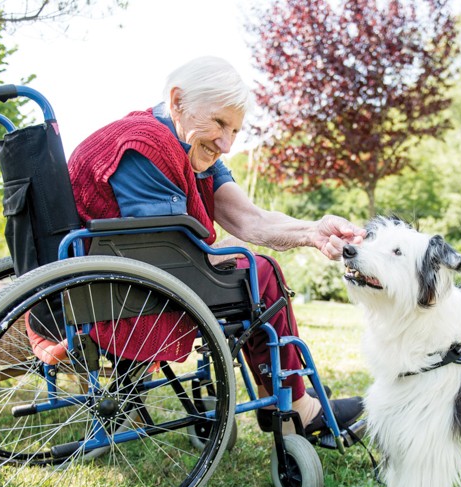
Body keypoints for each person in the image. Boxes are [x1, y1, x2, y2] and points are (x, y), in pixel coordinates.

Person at [67, 56, 366, 447]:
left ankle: (288, 401)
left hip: (121, 283)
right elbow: (172, 252)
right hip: (121, 295)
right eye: (220, 123)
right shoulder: (147, 144)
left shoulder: (189, 146)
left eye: (236, 130)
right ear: (177, 101)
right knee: (261, 272)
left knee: (250, 263)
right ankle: (296, 409)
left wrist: (313, 231)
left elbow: (249, 218)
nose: (226, 143)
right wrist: (230, 250)